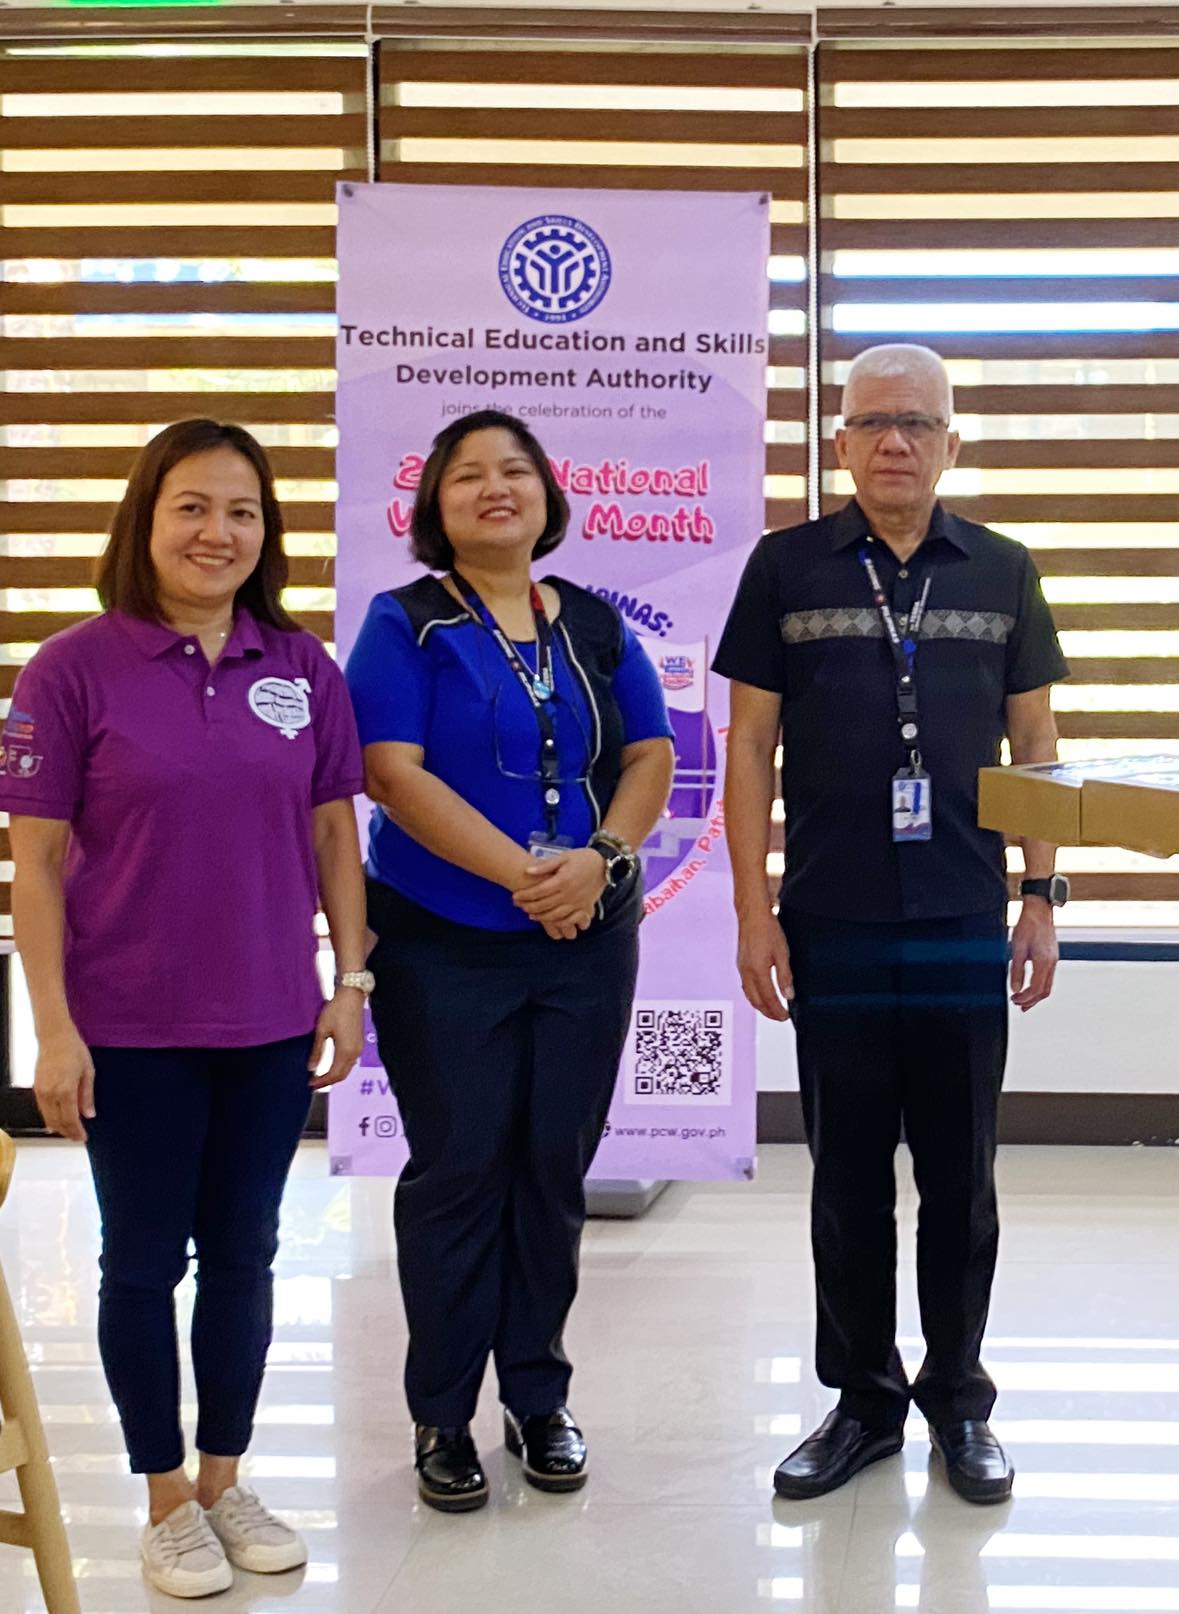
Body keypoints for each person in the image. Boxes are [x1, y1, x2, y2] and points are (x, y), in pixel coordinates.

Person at [1, 419, 368, 1599]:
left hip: (266, 1021)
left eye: (243, 513)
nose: (219, 533)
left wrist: (348, 982)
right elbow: (38, 866)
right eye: (193, 509)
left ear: (268, 533)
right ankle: (162, 1499)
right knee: (141, 1263)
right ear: (146, 521)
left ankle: (223, 1480)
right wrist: (55, 1028)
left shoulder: (299, 669)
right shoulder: (73, 670)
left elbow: (330, 835)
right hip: (132, 1028)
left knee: (249, 1257)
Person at [715, 342, 1067, 1504]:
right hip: (833, 917)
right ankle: (862, 1399)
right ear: (840, 443)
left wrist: (1039, 898)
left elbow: (1037, 753)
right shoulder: (784, 568)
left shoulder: (1003, 571)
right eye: (870, 424)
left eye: (916, 423)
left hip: (965, 917)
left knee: (962, 1176)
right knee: (847, 1174)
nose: (893, 443)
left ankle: (958, 1399)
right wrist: (752, 913)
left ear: (952, 440)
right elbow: (750, 749)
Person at [344, 408, 676, 1513]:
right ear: (433, 505)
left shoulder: (591, 623)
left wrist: (602, 858)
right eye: (468, 475)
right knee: (457, 1175)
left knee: (550, 1173)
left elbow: (649, 752)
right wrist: (527, 878)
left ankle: (538, 1397)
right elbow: (391, 773)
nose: (495, 488)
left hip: (586, 941)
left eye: (515, 471)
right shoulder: (403, 625)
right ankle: (442, 1413)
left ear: (546, 495)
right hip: (446, 939)